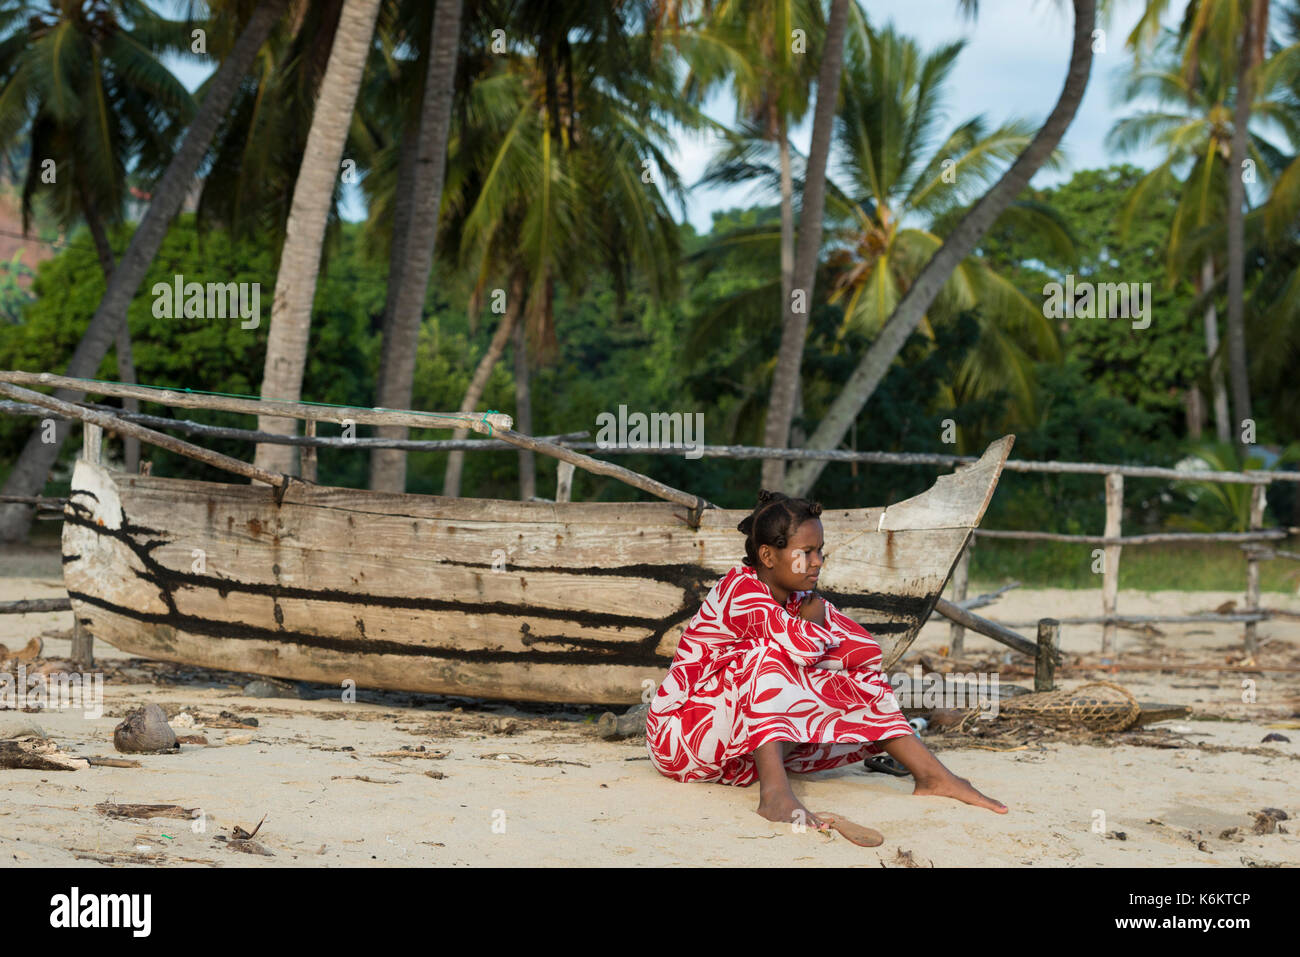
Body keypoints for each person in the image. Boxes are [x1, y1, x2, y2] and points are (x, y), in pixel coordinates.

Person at [645, 489, 1007, 830]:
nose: (818, 561)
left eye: (820, 550)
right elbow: (800, 649)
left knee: (851, 677)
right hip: (681, 736)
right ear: (769, 556)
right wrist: (813, 626)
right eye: (807, 552)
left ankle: (931, 776)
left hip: (733, 754)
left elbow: (867, 653)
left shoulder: (800, 598)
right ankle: (774, 797)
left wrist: (817, 638)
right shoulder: (740, 591)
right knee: (768, 660)